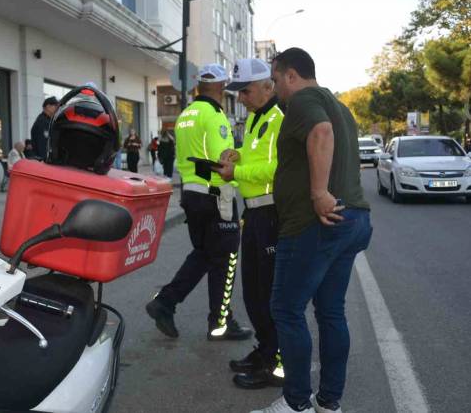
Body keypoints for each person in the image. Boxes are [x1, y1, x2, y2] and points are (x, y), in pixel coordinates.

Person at [250, 48, 372, 413]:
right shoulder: (340, 106)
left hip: (314, 224)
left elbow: (321, 133)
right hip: (351, 221)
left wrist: (318, 193)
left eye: (275, 80)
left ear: (291, 75)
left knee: (286, 310)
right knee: (331, 312)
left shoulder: (304, 100)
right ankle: (329, 402)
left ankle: (296, 403)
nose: (274, 90)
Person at [145, 63, 252, 342]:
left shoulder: (186, 115)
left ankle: (166, 303)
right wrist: (243, 162)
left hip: (192, 195)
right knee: (225, 259)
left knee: (205, 254)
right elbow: (222, 159)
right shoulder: (214, 114)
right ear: (218, 88)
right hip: (216, 195)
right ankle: (219, 322)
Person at [217, 58, 285, 389]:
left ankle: (275, 364)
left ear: (267, 86)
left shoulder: (280, 117)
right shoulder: (258, 117)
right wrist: (236, 154)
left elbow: (278, 169)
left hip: (272, 214)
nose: (240, 98)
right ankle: (265, 351)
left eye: (244, 91)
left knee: (269, 294)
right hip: (254, 213)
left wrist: (237, 172)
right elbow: (258, 158)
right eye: (238, 93)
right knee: (253, 292)